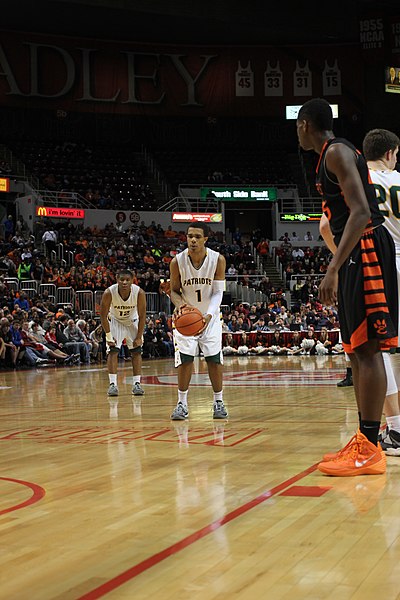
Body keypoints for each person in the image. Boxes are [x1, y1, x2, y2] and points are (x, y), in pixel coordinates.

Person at [297, 98, 398, 476]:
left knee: (368, 349)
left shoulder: (337, 152)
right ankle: (364, 439)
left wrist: (333, 266)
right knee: (356, 349)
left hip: (365, 249)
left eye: (297, 126)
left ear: (306, 124)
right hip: (358, 251)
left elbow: (361, 212)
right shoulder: (328, 155)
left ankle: (371, 446)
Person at [363, 128, 400, 455]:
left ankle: (397, 429)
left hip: (380, 267)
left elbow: (324, 226)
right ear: (390, 153)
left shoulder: (361, 180)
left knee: (380, 348)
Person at [169, 223, 227, 420]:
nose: (192, 240)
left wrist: (208, 315)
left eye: (197, 237)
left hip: (209, 317)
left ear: (205, 239)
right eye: (189, 236)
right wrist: (182, 306)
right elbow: (174, 292)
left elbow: (218, 292)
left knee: (214, 359)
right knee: (185, 359)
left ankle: (218, 401)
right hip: (186, 317)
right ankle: (181, 404)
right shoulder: (177, 261)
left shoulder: (217, 259)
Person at [100, 269, 146, 397]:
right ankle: (113, 384)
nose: (124, 282)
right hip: (115, 321)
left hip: (133, 321)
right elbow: (103, 316)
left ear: (132, 280)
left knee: (136, 351)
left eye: (127, 280)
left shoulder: (139, 293)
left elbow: (143, 316)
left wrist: (139, 336)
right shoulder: (109, 292)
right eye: (122, 280)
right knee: (113, 350)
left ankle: (137, 383)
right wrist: (108, 337)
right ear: (117, 280)